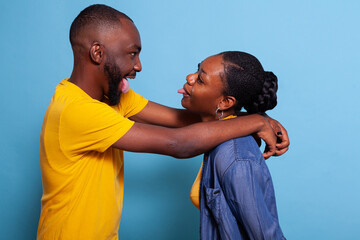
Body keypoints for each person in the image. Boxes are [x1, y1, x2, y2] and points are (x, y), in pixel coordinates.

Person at [37, 4, 289, 240]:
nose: (138, 65)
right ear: (98, 53)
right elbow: (178, 143)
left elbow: (181, 120)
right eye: (132, 53)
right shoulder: (76, 111)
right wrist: (256, 122)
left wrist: (252, 117)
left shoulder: (111, 98)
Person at [178, 51, 286, 239]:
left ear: (225, 102)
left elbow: (266, 235)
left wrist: (259, 121)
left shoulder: (237, 158)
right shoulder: (216, 135)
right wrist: (258, 120)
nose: (190, 77)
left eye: (201, 79)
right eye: (197, 69)